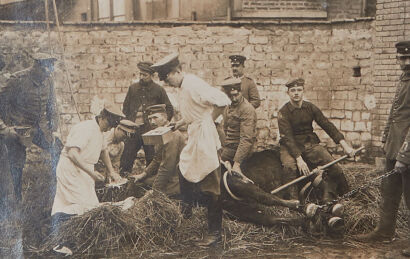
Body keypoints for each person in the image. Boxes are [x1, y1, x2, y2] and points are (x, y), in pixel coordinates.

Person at [151, 53, 231, 246]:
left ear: (176, 71)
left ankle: (215, 233)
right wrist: (178, 124)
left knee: (211, 183)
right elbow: (191, 112)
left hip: (204, 136)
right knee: (183, 167)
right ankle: (187, 211)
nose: (167, 82)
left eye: (168, 77)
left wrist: (209, 121)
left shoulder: (193, 84)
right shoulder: (182, 87)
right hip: (196, 133)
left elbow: (223, 101)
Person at [355, 41, 410, 256]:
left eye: (408, 58)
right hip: (394, 146)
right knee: (390, 191)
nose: (404, 63)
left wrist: (405, 156)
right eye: (401, 59)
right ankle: (384, 231)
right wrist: (386, 138)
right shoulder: (403, 78)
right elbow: (395, 112)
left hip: (407, 149)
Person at [278, 78, 354, 201]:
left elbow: (327, 125)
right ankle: (294, 203)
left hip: (309, 144)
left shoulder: (310, 107)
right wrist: (299, 159)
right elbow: (287, 138)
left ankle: (347, 196)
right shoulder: (283, 112)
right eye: (293, 90)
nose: (296, 93)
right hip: (289, 147)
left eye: (299, 90)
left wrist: (345, 146)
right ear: (288, 93)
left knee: (334, 165)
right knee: (289, 167)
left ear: (303, 91)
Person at [0, 52, 61, 202]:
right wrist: (7, 125)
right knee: (17, 162)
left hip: (40, 128)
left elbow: (52, 106)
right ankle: (17, 197)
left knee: (59, 150)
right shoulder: (17, 80)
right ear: (37, 67)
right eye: (46, 69)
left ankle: (59, 192)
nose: (49, 72)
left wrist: (53, 129)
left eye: (50, 69)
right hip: (19, 129)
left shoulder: (48, 80)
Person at [120, 61, 174, 176]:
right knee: (126, 158)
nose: (141, 77)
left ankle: (148, 184)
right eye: (140, 74)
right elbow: (125, 108)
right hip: (133, 130)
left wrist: (163, 125)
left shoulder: (158, 90)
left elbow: (169, 108)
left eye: (145, 75)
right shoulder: (133, 88)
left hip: (150, 131)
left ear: (152, 75)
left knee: (152, 158)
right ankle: (123, 182)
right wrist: (127, 124)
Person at [130, 104, 184, 198]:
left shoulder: (172, 134)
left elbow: (167, 167)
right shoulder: (161, 132)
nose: (152, 122)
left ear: (165, 117)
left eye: (155, 118)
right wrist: (143, 174)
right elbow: (157, 159)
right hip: (168, 177)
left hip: (176, 181)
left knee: (144, 190)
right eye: (150, 119)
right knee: (139, 183)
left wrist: (155, 191)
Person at [220, 77, 257, 177]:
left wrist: (237, 163)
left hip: (240, 152)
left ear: (241, 91)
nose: (234, 98)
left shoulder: (247, 109)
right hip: (228, 148)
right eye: (230, 96)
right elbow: (225, 130)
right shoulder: (228, 107)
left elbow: (246, 139)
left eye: (236, 95)